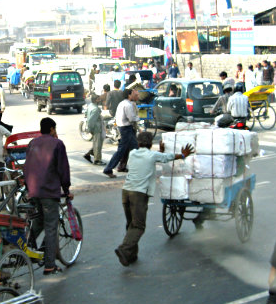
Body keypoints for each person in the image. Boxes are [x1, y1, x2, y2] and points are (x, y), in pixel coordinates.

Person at [115, 132, 193, 266]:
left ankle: (131, 255)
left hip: (126, 192)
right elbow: (167, 157)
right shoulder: (152, 155)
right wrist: (183, 155)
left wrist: (160, 152)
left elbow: (155, 157)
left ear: (138, 143)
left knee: (131, 224)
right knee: (138, 226)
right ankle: (124, 249)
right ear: (151, 144)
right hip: (138, 194)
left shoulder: (133, 153)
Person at [23, 118, 72, 275]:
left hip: (33, 189)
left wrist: (27, 188)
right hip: (48, 190)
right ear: (52, 129)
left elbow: (27, 166)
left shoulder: (33, 143)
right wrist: (66, 189)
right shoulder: (57, 144)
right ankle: (50, 264)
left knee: (38, 221)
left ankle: (27, 248)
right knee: (51, 226)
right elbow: (63, 170)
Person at [103, 88, 139, 178]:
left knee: (129, 149)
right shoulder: (128, 105)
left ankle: (122, 167)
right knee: (128, 149)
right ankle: (108, 169)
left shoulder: (122, 103)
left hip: (123, 128)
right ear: (129, 95)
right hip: (126, 129)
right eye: (133, 94)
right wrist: (138, 118)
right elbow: (131, 118)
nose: (135, 95)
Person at [83, 94, 105, 166]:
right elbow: (91, 120)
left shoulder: (90, 106)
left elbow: (86, 114)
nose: (100, 100)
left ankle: (89, 154)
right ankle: (97, 160)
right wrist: (90, 129)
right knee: (97, 144)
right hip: (96, 128)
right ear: (95, 100)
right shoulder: (95, 109)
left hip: (94, 128)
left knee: (96, 143)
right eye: (98, 99)